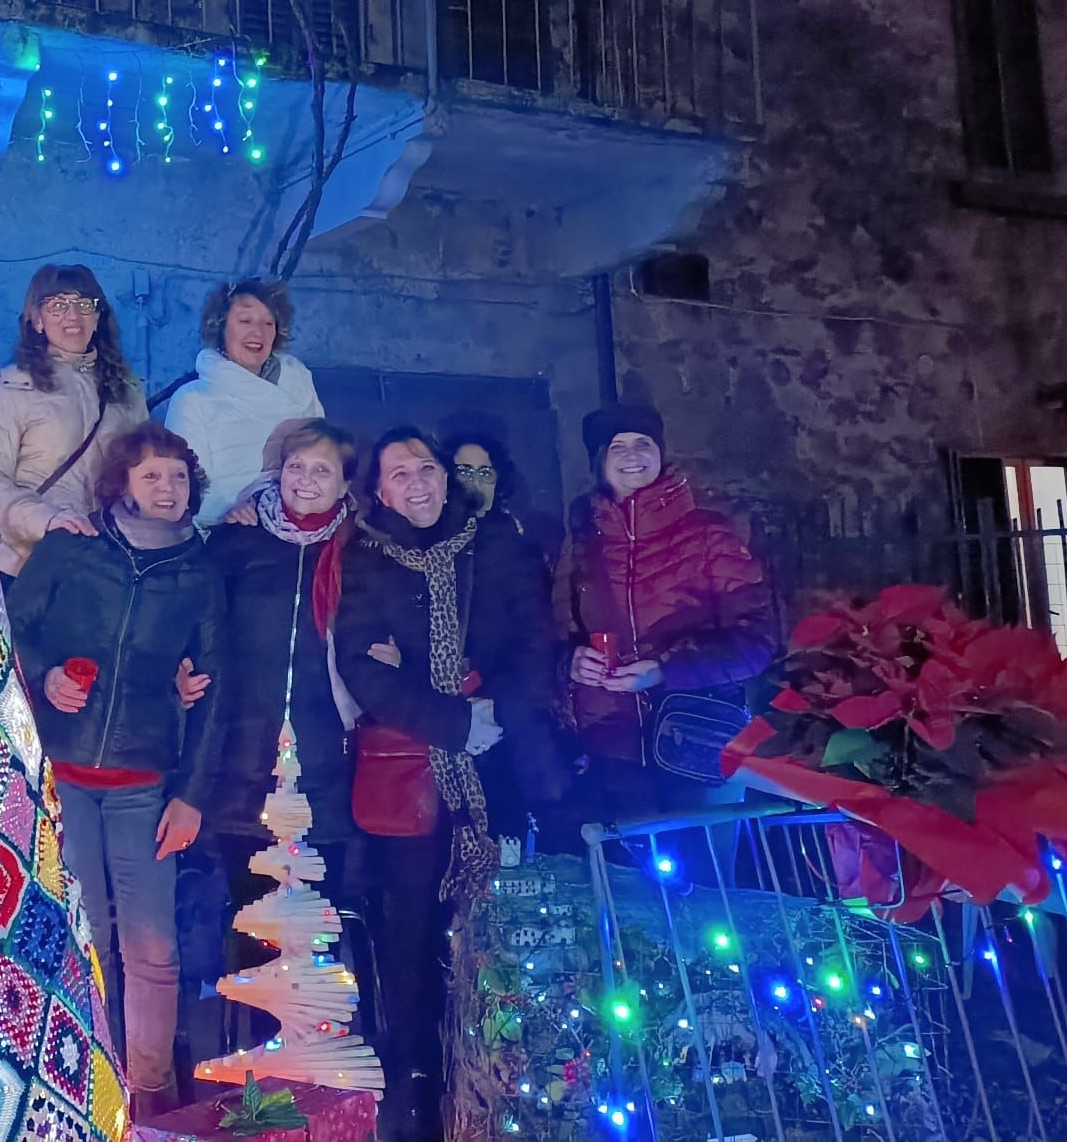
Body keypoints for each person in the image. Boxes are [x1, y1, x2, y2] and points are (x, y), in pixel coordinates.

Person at [336, 428, 570, 1139]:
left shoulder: (497, 544)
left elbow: (534, 640)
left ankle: (503, 1083)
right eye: (399, 474)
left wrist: (493, 713)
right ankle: (419, 1087)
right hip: (414, 780)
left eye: (427, 468)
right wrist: (451, 721)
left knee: (498, 929)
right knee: (410, 935)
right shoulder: (367, 559)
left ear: (447, 476)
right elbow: (362, 663)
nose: (418, 483)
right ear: (379, 491)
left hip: (500, 767)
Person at [6, 422, 227, 1118]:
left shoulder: (198, 574)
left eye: (179, 477)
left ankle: (151, 1098)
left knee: (152, 948)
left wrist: (192, 796)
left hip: (144, 785)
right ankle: (85, 1083)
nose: (167, 488)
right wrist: (45, 676)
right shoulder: (71, 551)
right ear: (121, 483)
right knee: (85, 937)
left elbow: (217, 690)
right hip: (60, 776)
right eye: (152, 475)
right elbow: (7, 629)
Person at [203, 421, 365, 1046]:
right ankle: (257, 1075)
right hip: (242, 770)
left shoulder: (360, 549)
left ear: (346, 483)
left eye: (322, 470)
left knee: (314, 929)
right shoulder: (237, 540)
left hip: (326, 770)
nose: (305, 480)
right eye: (296, 466)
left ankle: (315, 1064)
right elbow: (202, 629)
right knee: (254, 927)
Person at [553, 403, 777, 821]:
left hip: (696, 739)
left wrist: (664, 670)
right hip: (612, 744)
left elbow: (756, 643)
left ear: (660, 453)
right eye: (617, 446)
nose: (632, 455)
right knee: (626, 860)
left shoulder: (709, 534)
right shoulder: (582, 544)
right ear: (600, 462)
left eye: (643, 443)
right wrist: (571, 662)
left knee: (699, 860)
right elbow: (555, 632)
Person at [0, 263, 148, 580]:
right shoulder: (12, 388)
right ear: (37, 320)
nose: (72, 315)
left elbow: (145, 469)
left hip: (107, 566)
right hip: (30, 562)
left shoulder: (127, 391)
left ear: (98, 316)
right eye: (57, 305)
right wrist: (45, 519)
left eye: (84, 304)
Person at [163, 279, 325, 527]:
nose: (258, 332)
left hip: (301, 520)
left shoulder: (298, 381)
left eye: (268, 323)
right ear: (221, 327)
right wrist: (234, 511)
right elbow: (185, 485)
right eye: (245, 321)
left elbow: (324, 454)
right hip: (232, 529)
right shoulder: (191, 399)